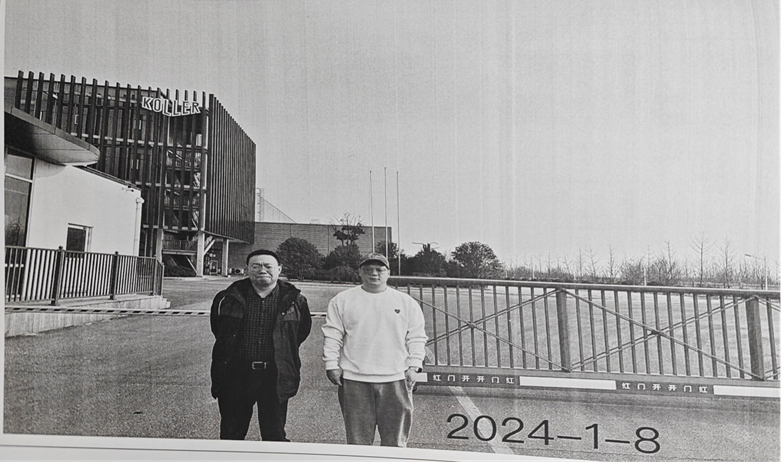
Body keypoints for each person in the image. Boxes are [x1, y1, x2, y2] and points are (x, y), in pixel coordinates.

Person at [322, 252, 428, 447]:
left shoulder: (405, 302)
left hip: (395, 378)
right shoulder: (342, 300)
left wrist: (414, 366)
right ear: (360, 272)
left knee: (395, 442)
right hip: (355, 379)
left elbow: (417, 336)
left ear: (388, 273)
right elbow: (332, 334)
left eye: (379, 269)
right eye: (368, 269)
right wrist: (331, 365)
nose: (374, 273)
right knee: (358, 443)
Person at [209, 249, 312, 441]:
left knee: (275, 434)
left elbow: (300, 333)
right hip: (236, 374)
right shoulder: (227, 298)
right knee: (232, 434)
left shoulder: (295, 301)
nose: (262, 270)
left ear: (279, 269)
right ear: (247, 269)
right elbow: (219, 330)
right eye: (256, 266)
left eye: (268, 266)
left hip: (275, 374)